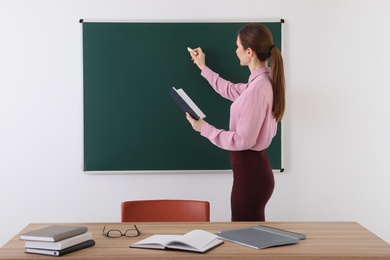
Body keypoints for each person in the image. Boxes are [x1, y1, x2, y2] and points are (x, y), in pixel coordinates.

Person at [186, 23, 285, 221]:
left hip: (250, 175)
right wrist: (203, 67)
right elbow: (230, 89)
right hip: (254, 171)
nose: (235, 51)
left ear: (249, 52)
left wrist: (204, 128)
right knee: (248, 235)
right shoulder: (261, 82)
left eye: (238, 46)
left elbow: (242, 141)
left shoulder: (258, 88)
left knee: (244, 235)